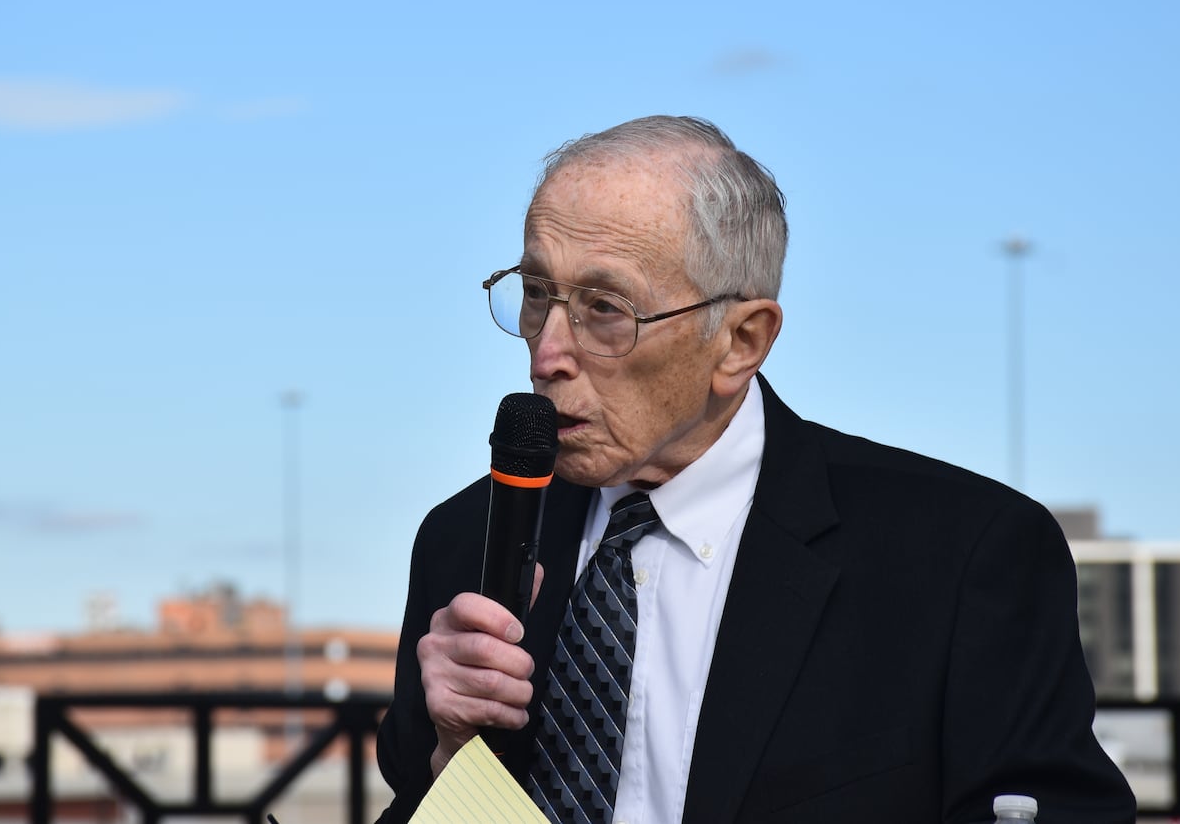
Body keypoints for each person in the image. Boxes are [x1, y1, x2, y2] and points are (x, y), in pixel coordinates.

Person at [375, 116, 1135, 823]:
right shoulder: (463, 539)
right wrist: (452, 759)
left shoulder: (962, 557)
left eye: (606, 308)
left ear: (741, 341)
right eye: (538, 294)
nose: (547, 353)